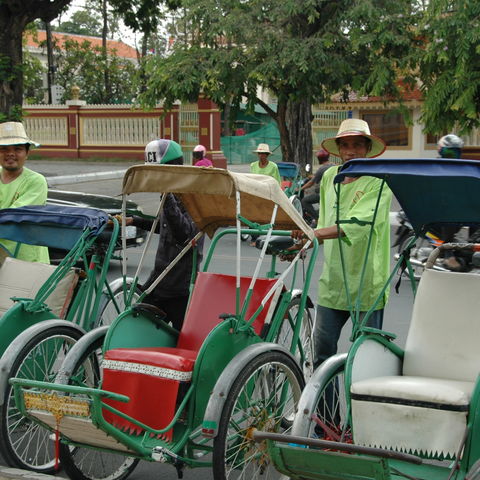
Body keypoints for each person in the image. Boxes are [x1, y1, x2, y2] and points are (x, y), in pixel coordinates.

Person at [292, 119, 391, 371]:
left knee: (366, 357)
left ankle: (358, 410)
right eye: (345, 145)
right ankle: (324, 411)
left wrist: (311, 233)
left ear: (367, 148)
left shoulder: (379, 181)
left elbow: (357, 225)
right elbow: (326, 223)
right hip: (333, 281)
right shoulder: (330, 178)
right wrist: (304, 243)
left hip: (367, 282)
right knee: (322, 355)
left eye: (357, 144)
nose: (350, 151)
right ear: (338, 149)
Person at [131, 139, 203, 330]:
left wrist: (167, 196)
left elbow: (184, 235)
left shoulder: (193, 195)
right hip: (158, 281)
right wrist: (135, 220)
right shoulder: (169, 194)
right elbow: (164, 227)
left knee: (182, 342)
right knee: (138, 328)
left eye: (159, 172)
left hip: (180, 288)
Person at [0, 121, 49, 263]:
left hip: (26, 257)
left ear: (27, 153)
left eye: (17, 149)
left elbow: (14, 215)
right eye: (4, 149)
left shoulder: (36, 181)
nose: (10, 154)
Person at [436, 134, 466, 271]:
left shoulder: (462, 168)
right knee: (448, 225)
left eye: (455, 152)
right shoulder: (435, 167)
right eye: (448, 152)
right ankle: (448, 256)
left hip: (458, 206)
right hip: (441, 209)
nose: (452, 155)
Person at [300, 149, 332, 226]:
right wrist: (313, 176)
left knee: (304, 201)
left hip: (324, 194)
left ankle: (317, 219)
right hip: (332, 193)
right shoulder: (333, 165)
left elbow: (311, 183)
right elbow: (320, 176)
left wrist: (300, 189)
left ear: (319, 159)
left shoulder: (322, 168)